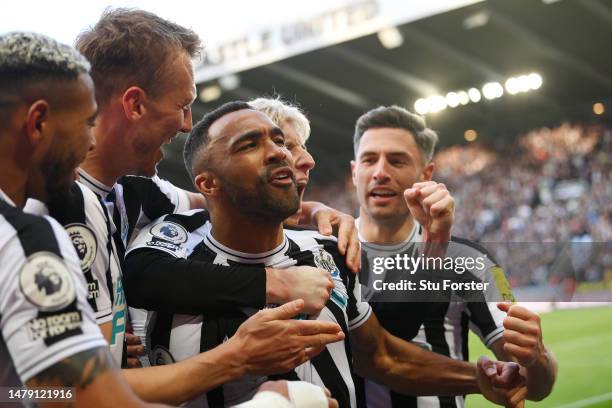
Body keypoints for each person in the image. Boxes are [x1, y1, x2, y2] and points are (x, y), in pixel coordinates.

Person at [126, 101, 527, 408]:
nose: (281, 153)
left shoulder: (326, 252)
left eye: (280, 141)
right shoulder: (167, 250)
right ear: (207, 183)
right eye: (251, 144)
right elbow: (79, 392)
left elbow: (384, 353)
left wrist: (477, 377)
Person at [23, 8, 356, 372]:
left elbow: (230, 197)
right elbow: (73, 392)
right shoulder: (50, 206)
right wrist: (241, 359)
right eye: (183, 106)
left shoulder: (134, 192)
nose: (187, 125)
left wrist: (313, 210)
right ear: (135, 104)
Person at [350, 105, 558, 407]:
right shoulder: (324, 254)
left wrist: (537, 356)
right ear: (354, 171)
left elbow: (536, 385)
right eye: (369, 160)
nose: (380, 172)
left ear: (426, 173)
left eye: (396, 160)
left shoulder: (469, 259)